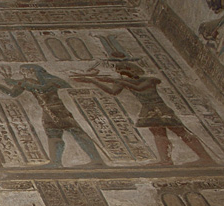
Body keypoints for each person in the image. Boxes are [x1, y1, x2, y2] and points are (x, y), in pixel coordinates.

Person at [71, 63, 213, 166]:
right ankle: (165, 160)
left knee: (180, 131)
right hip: (148, 109)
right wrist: (93, 81)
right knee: (158, 133)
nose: (123, 74)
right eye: (121, 72)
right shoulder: (123, 81)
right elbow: (113, 92)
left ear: (134, 70)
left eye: (125, 71)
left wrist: (118, 81)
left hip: (159, 107)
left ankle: (205, 158)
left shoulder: (150, 80)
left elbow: (139, 87)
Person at [0, 64, 104, 167]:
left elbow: (42, 89)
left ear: (34, 71)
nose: (24, 74)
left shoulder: (52, 80)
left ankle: (96, 160)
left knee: (77, 132)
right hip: (47, 111)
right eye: (22, 73)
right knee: (53, 135)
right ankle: (56, 162)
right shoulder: (27, 82)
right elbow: (12, 93)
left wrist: (21, 83)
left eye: (25, 72)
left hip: (59, 110)